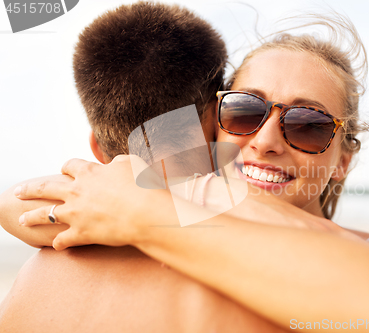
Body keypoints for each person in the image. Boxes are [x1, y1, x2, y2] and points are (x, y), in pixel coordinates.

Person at [6, 10, 369, 333]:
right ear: (209, 126)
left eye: (308, 125)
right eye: (244, 112)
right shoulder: (95, 219)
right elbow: (18, 202)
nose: (265, 140)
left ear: (343, 159)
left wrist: (144, 209)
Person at [0, 2, 287, 332]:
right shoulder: (262, 276)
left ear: (97, 146)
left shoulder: (33, 278)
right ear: (213, 122)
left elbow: (13, 204)